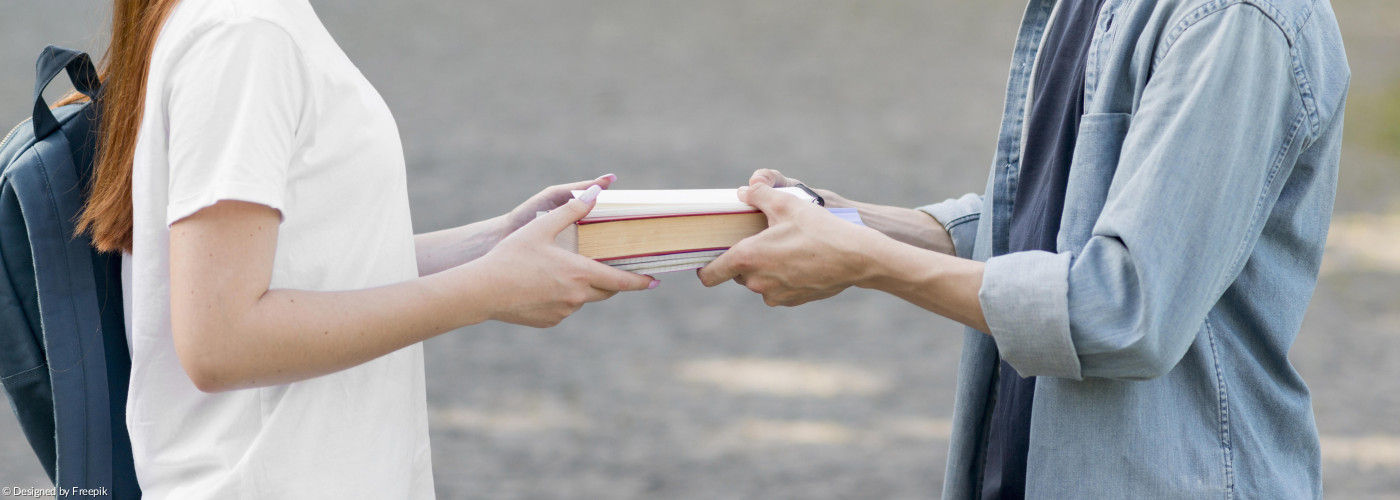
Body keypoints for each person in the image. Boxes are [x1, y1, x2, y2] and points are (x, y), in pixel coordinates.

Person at [698, 0, 1349, 496]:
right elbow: (1049, 225)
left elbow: (1124, 310)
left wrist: (864, 260)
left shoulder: (1235, 22)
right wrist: (842, 221)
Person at [72, 0, 658, 497]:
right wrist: (490, 289)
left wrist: (495, 244)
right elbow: (221, 341)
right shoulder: (246, 32)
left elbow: (311, 259)